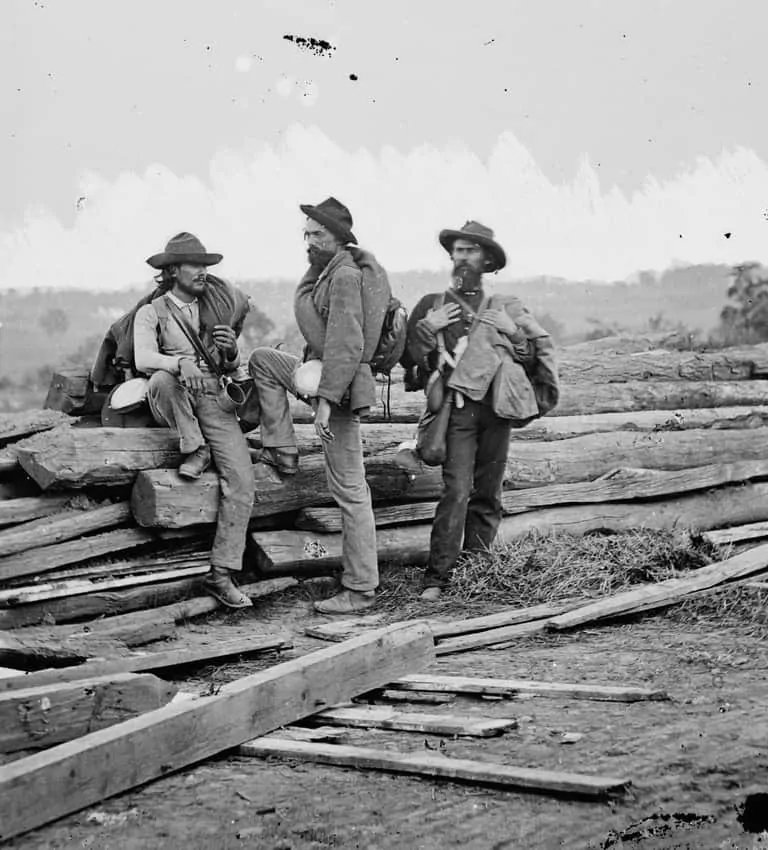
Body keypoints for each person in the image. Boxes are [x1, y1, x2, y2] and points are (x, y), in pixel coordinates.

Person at [248, 197, 390, 614]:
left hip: (340, 389)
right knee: (263, 360)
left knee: (350, 489)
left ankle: (361, 588)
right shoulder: (326, 270)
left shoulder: (344, 275)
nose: (308, 241)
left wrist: (325, 403)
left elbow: (347, 343)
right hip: (321, 375)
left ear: (339, 237)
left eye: (317, 234)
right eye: (306, 233)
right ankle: (282, 449)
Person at [406, 221, 559, 601]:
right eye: (457, 251)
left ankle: (477, 571)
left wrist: (514, 332)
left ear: (487, 260)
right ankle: (438, 577)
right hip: (457, 412)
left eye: (470, 251)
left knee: (489, 493)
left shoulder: (505, 307)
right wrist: (426, 329)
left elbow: (529, 357)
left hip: (497, 410)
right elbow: (411, 364)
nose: (462, 257)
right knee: (456, 491)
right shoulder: (432, 305)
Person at [133, 232, 256, 609]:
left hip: (213, 397)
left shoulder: (214, 308)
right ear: (172, 271)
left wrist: (231, 352)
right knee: (161, 378)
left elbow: (230, 367)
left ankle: (221, 573)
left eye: (205, 265)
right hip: (175, 395)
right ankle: (195, 446)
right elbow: (143, 358)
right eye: (194, 265)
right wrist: (178, 362)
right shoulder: (152, 311)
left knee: (242, 480)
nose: (203, 271)